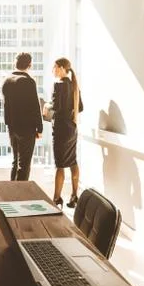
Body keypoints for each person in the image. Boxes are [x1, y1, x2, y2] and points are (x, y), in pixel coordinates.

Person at [2, 53, 43, 181]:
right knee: (24, 164)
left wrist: (8, 124)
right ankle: (20, 195)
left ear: (16, 63)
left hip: (12, 127)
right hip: (27, 128)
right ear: (30, 65)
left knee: (15, 161)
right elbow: (35, 106)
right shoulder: (29, 81)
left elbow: (6, 105)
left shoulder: (7, 80)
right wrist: (39, 128)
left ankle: (11, 191)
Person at [51, 57, 84, 208]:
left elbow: (56, 108)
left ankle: (56, 198)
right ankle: (74, 196)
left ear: (63, 68)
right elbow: (81, 107)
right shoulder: (74, 85)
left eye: (56, 67)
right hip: (72, 128)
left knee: (60, 164)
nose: (54, 70)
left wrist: (46, 106)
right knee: (72, 161)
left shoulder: (58, 85)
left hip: (60, 129)